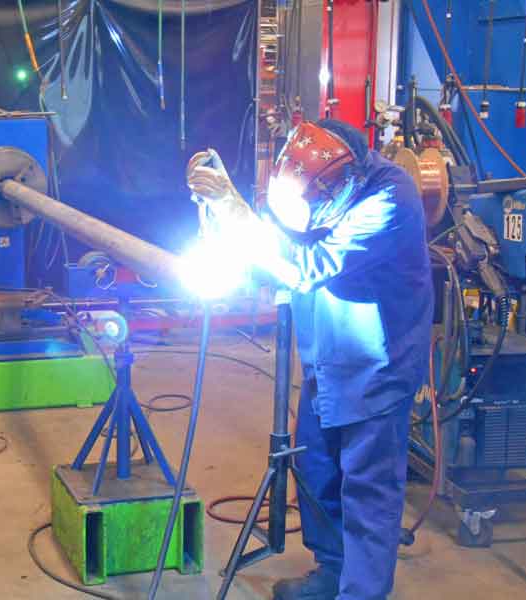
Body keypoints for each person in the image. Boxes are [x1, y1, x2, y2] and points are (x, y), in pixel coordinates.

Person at [186, 119, 434, 600]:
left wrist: (232, 208)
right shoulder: (307, 180)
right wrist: (220, 206)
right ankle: (331, 572)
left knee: (367, 488)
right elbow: (276, 234)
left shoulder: (388, 200)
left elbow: (306, 265)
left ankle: (360, 593)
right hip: (326, 354)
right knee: (319, 470)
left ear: (344, 185)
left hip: (376, 366)